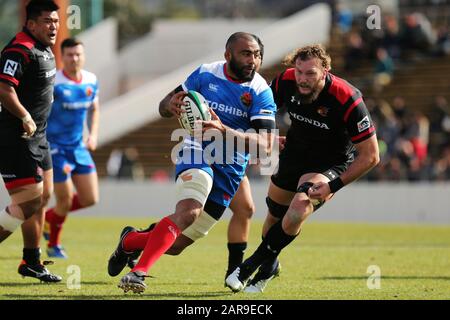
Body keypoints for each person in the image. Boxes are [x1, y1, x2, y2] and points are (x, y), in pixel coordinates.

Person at [107, 32, 277, 293]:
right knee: (189, 212)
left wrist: (223, 131)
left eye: (257, 55)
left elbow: (264, 146)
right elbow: (165, 104)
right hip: (196, 150)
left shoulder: (260, 92)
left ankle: (130, 240)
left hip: (230, 167)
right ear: (228, 54)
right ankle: (138, 272)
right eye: (246, 53)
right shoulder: (205, 74)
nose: (252, 60)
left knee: (176, 246)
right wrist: (170, 106)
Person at [226, 44, 380, 293]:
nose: (303, 79)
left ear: (326, 70)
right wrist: (267, 137)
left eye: (310, 73)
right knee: (274, 218)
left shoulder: (347, 98)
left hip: (330, 162)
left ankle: (249, 267)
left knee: (298, 209)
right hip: (294, 154)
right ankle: (271, 266)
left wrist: (333, 185)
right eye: (299, 71)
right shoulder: (286, 80)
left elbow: (371, 156)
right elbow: (260, 114)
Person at [0, 0, 62, 282]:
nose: (54, 26)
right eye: (48, 21)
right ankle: (31, 259)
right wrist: (25, 116)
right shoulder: (19, 49)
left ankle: (32, 261)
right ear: (32, 23)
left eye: (56, 21)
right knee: (27, 204)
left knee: (44, 197)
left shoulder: (44, 48)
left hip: (40, 137)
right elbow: (3, 88)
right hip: (17, 138)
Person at [43, 38, 100, 258]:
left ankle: (50, 217)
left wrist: (93, 135)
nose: (74, 58)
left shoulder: (91, 80)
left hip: (78, 148)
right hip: (55, 148)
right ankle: (53, 245)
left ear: (83, 56)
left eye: (78, 54)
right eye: (69, 54)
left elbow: (94, 108)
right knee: (65, 199)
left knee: (90, 199)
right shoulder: (54, 82)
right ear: (62, 57)